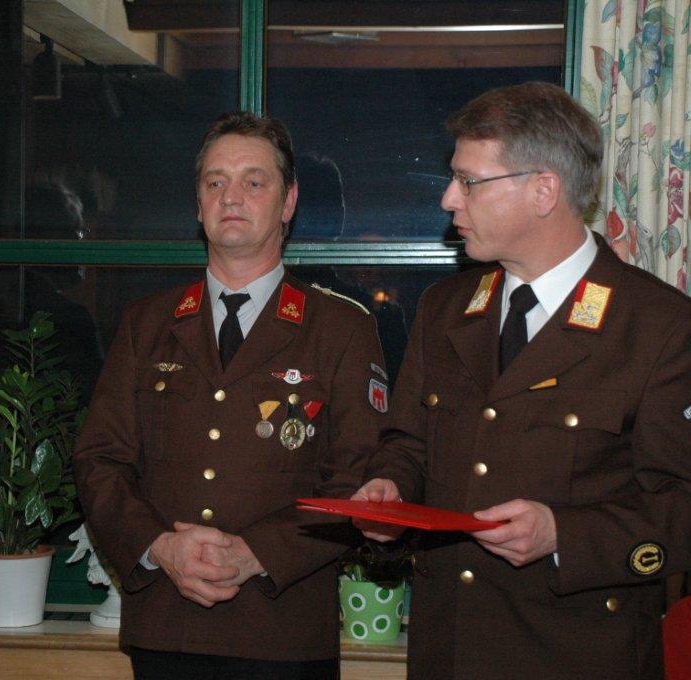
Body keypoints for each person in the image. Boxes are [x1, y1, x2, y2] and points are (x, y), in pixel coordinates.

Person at [354, 82, 691, 679]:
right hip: (447, 653)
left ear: (543, 190)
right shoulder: (445, 309)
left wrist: (564, 534)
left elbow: (681, 507)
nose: (448, 199)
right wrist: (390, 490)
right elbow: (409, 443)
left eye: (469, 181)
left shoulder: (658, 325)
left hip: (578, 657)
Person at [74, 111, 388, 678]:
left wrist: (256, 553)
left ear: (288, 202)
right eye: (215, 182)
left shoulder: (341, 328)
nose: (231, 196)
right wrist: (158, 546)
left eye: (253, 181)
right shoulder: (148, 323)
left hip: (282, 632)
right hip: (167, 626)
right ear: (198, 205)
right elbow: (100, 459)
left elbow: (357, 480)